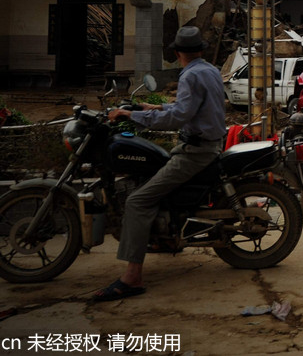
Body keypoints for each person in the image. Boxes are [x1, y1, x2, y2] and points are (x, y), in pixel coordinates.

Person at [92, 26, 227, 302]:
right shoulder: (210, 70)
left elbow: (178, 118)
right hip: (205, 144)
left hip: (196, 151)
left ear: (177, 53)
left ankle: (132, 277)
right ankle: (159, 237)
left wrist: (132, 116)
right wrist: (153, 108)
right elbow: (187, 109)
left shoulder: (190, 75)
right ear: (199, 49)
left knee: (138, 201)